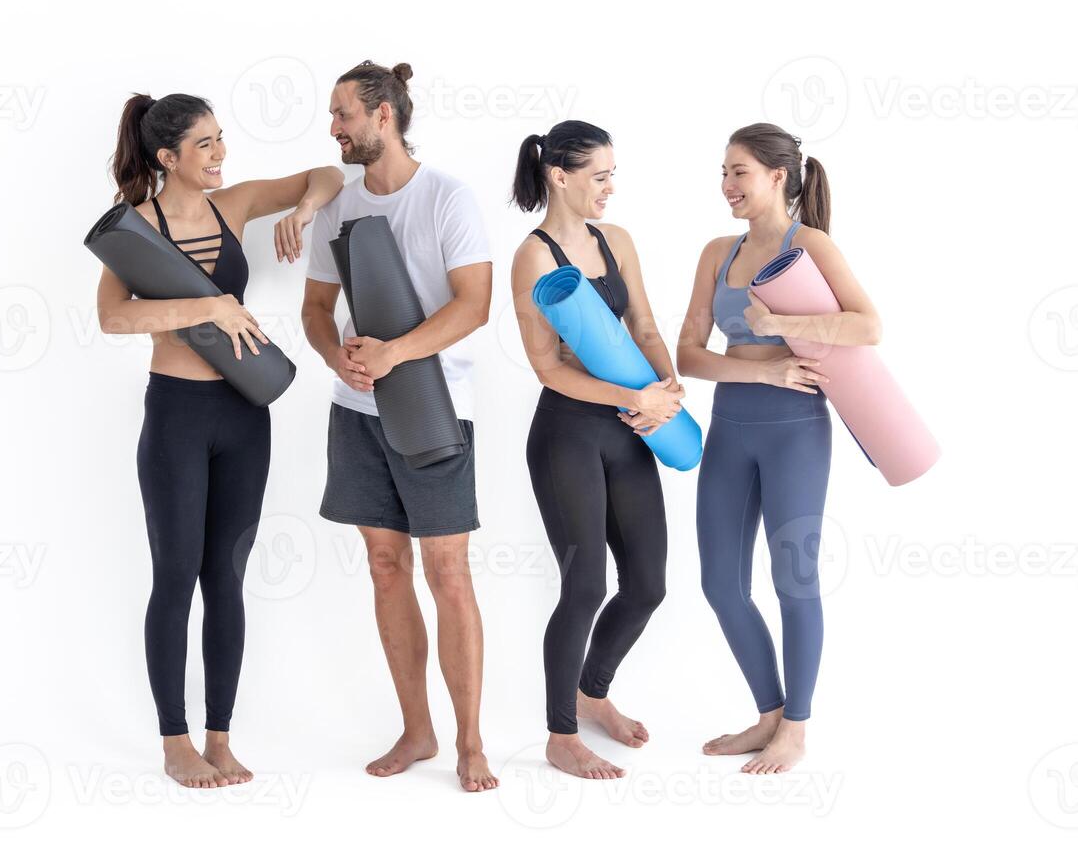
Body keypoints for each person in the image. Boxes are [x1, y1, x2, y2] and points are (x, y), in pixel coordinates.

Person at [96, 92, 343, 788]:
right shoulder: (133, 231)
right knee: (175, 578)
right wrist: (205, 304)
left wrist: (302, 211)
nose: (219, 154)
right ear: (167, 157)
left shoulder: (231, 207)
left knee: (226, 579)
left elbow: (325, 173)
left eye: (220, 139)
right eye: (204, 144)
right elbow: (113, 318)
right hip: (176, 416)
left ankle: (220, 738)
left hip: (243, 417)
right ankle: (175, 743)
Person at [300, 61, 498, 792]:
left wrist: (394, 354)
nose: (334, 127)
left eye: (342, 113)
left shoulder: (449, 198)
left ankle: (471, 742)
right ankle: (417, 731)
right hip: (356, 414)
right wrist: (340, 361)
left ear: (384, 115)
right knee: (386, 569)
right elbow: (317, 310)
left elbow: (472, 304)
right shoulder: (339, 209)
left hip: (436, 409)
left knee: (449, 574)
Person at [677, 123, 880, 774]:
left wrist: (782, 326)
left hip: (797, 430)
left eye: (739, 171)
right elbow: (689, 354)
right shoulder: (716, 253)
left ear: (777, 177)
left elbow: (868, 324)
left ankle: (795, 727)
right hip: (731, 426)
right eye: (724, 171)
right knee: (719, 583)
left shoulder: (810, 244)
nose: (727, 184)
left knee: (794, 578)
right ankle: (767, 713)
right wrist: (761, 368)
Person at [508, 121, 680, 780]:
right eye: (599, 175)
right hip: (567, 434)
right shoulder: (534, 256)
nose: (610, 188)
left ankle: (592, 693)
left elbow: (643, 324)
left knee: (647, 585)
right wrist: (627, 396)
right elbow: (547, 366)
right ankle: (559, 735)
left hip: (629, 426)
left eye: (613, 175)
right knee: (583, 587)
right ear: (560, 175)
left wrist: (663, 383)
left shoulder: (618, 240)